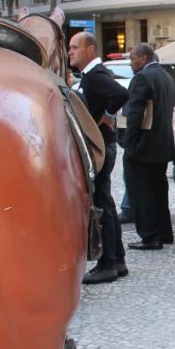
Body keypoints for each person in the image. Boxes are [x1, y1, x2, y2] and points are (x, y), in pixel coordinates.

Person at [68, 31, 130, 284]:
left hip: (99, 148)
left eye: (74, 47)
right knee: (106, 204)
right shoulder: (90, 76)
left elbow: (120, 94)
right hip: (101, 147)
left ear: (90, 50)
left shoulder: (95, 75)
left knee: (101, 206)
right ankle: (117, 260)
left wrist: (107, 113)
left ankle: (107, 264)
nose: (70, 51)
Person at [121, 43, 175, 250]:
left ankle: (150, 237)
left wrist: (129, 144)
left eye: (132, 58)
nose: (130, 63)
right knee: (159, 191)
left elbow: (134, 114)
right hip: (162, 145)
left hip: (143, 147)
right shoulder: (165, 76)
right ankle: (164, 232)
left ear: (143, 58)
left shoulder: (142, 78)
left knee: (142, 192)